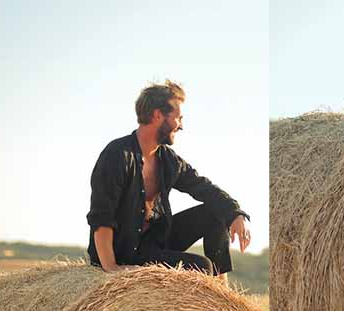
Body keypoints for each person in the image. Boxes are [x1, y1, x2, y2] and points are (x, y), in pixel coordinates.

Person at [86, 80, 251, 279]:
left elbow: (204, 187)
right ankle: (212, 293)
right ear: (157, 115)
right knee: (200, 268)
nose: (181, 126)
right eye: (178, 118)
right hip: (123, 250)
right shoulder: (117, 156)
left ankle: (222, 296)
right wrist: (112, 267)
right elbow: (101, 217)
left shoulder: (167, 160)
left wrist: (236, 213)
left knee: (215, 212)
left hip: (154, 243)